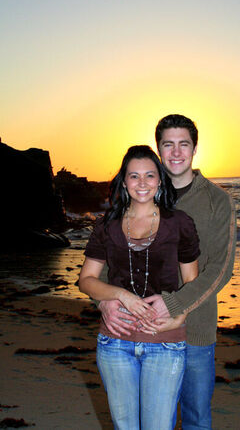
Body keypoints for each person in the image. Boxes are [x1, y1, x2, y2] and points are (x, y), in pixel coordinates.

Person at [99, 115, 237, 429]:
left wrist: (174, 305)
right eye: (168, 144)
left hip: (195, 333)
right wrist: (105, 304)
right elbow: (107, 265)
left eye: (183, 144)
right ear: (159, 149)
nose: (176, 152)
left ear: (195, 148)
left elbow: (219, 269)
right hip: (137, 329)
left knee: (195, 418)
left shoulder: (218, 201)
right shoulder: (140, 198)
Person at [79, 145, 200, 430]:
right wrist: (120, 295)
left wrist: (179, 316)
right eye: (134, 176)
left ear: (160, 179)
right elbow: (87, 280)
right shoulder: (106, 225)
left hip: (165, 343)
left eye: (149, 175)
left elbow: (193, 283)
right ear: (124, 181)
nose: (142, 183)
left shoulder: (179, 224)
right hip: (115, 343)